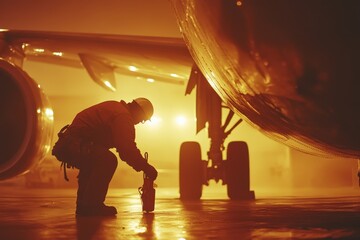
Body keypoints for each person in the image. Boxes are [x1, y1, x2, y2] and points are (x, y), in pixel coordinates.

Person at [52, 98, 158, 216]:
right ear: (139, 111)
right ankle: (93, 206)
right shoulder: (123, 116)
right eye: (142, 119)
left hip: (70, 144)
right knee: (108, 160)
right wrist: (146, 167)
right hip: (75, 145)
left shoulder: (116, 108)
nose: (140, 122)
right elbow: (126, 149)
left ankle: (84, 205)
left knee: (93, 162)